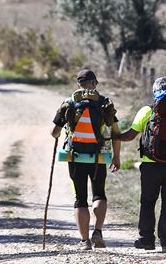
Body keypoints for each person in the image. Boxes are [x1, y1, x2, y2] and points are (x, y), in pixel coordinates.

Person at [115, 76, 166, 253]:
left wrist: (115, 136)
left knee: (148, 201)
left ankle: (146, 240)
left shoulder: (147, 111)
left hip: (150, 165)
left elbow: (130, 135)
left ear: (154, 92)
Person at [50, 68, 122, 250]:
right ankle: (97, 232)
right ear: (94, 83)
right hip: (98, 157)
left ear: (78, 84)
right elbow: (116, 133)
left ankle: (85, 241)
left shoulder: (69, 103)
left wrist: (63, 122)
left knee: (80, 198)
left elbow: (54, 133)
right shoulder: (104, 103)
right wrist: (116, 157)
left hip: (75, 157)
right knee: (99, 194)